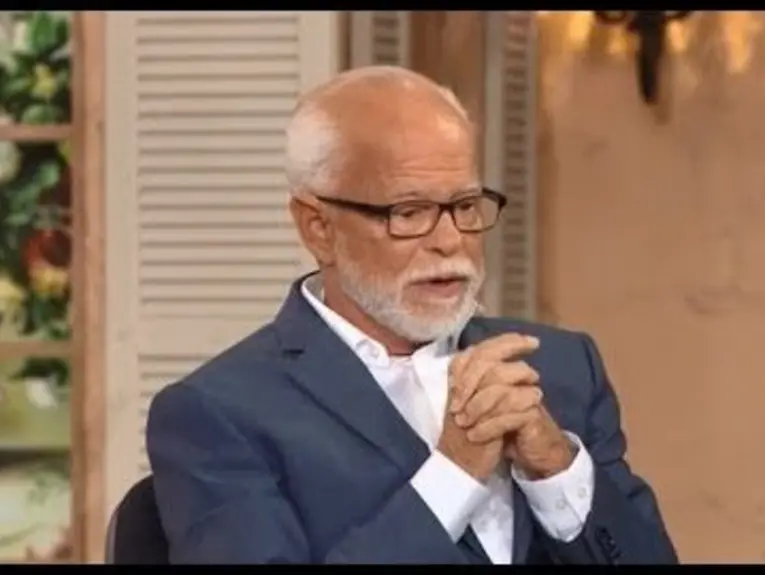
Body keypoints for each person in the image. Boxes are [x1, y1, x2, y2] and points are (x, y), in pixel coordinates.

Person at [145, 65, 677, 565]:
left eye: (464, 206)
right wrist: (454, 476)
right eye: (409, 212)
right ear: (318, 228)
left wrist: (556, 469)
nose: (450, 241)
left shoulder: (560, 368)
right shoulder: (219, 414)